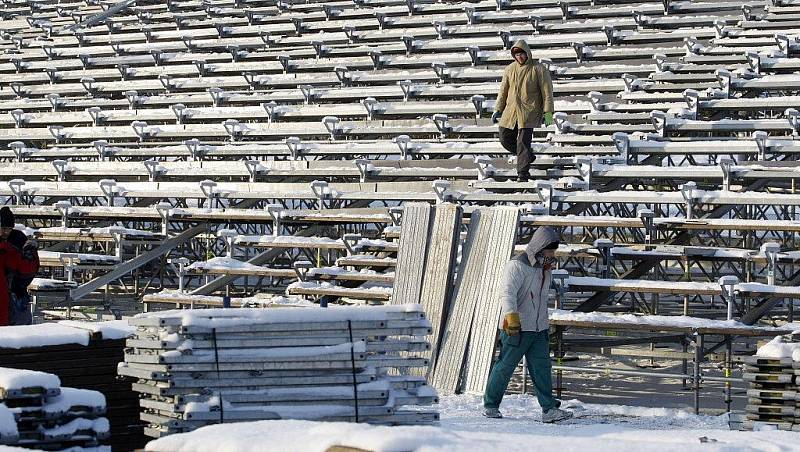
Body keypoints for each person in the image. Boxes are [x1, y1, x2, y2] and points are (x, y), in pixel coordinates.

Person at [483, 226, 573, 423]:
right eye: (549, 251)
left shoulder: (545, 268)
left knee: (542, 367)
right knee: (505, 366)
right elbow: (507, 294)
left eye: (553, 251)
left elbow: (540, 299)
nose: (552, 255)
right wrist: (511, 318)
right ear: (539, 248)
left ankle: (548, 409)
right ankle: (490, 405)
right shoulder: (516, 265)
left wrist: (544, 324)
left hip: (538, 327)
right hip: (517, 326)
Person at [491, 39, 554, 183]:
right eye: (516, 54)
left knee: (523, 143)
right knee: (504, 138)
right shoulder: (509, 69)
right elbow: (503, 91)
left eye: (521, 54)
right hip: (511, 111)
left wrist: (548, 111)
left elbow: (547, 92)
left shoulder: (538, 68)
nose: (519, 57)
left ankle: (523, 174)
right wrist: (498, 108)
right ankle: (527, 156)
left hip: (529, 111)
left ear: (527, 53)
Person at [0, 206, 39, 326]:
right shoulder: (11, 247)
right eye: (3, 228)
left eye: (8, 228)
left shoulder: (18, 239)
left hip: (16, 293)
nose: (5, 232)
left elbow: (29, 268)